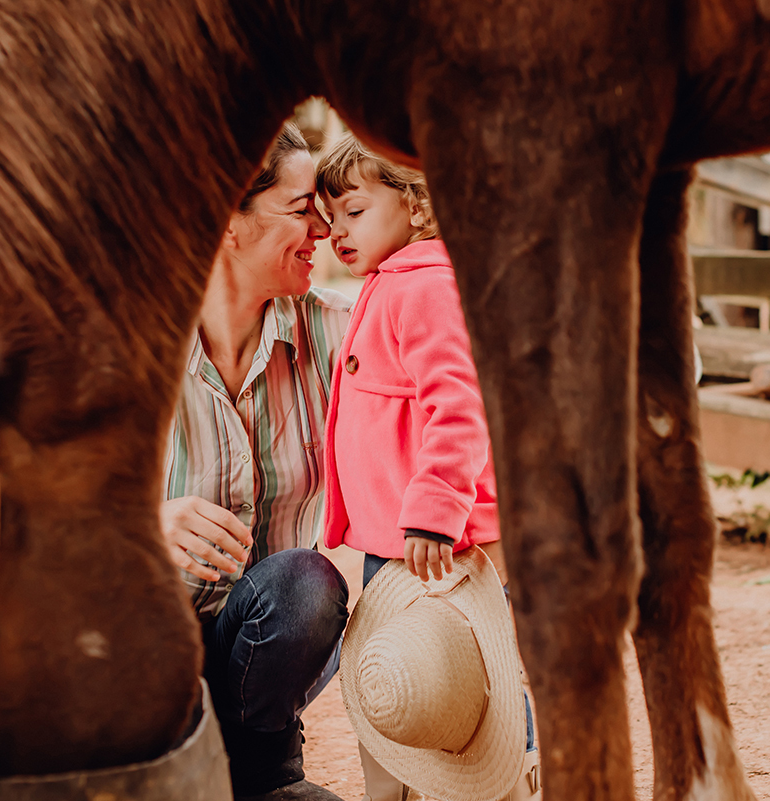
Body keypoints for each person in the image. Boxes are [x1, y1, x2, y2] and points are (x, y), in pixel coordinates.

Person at [317, 134, 540, 801]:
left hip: (444, 540)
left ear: (415, 205)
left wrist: (436, 511)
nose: (337, 232)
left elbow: (460, 401)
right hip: (401, 541)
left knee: (475, 674)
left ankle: (510, 783)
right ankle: (400, 790)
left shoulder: (428, 286)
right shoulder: (393, 282)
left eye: (354, 212)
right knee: (398, 681)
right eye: (330, 219)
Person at [160, 123, 350, 801]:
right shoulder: (135, 342)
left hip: (266, 656)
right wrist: (141, 524)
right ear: (227, 223)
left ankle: (254, 773)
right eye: (302, 209)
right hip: (144, 653)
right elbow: (38, 499)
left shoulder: (336, 333)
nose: (324, 228)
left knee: (306, 585)